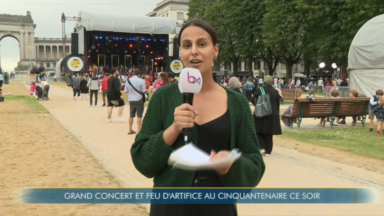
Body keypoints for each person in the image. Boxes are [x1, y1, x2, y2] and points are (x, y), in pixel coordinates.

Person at [131, 19, 265, 216]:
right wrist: (172, 130)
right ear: (181, 53)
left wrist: (231, 165)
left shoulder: (237, 103)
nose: (194, 51)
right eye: (187, 45)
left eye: (202, 44)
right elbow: (142, 160)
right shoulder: (163, 97)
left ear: (215, 50)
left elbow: (255, 166)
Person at [252, 75, 282, 156]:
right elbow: (277, 104)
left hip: (261, 114)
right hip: (272, 115)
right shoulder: (275, 91)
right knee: (269, 133)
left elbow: (254, 101)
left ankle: (262, 148)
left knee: (258, 131)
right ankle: (268, 151)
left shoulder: (259, 90)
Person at [124, 69, 147, 135]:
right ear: (139, 74)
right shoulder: (142, 81)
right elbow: (143, 91)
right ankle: (138, 130)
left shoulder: (128, 80)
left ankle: (130, 129)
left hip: (131, 99)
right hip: (139, 99)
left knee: (131, 115)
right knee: (139, 115)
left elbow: (125, 91)